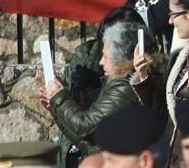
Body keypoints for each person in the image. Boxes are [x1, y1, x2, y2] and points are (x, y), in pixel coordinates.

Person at [42, 21, 159, 156]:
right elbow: (92, 147)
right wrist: (55, 110)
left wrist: (59, 97)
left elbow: (84, 125)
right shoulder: (121, 84)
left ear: (120, 60)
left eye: (105, 56)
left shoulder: (124, 88)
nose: (100, 62)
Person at [131, 0, 189, 128]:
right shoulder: (179, 58)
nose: (169, 21)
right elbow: (163, 113)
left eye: (173, 15)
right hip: (177, 148)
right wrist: (143, 75)